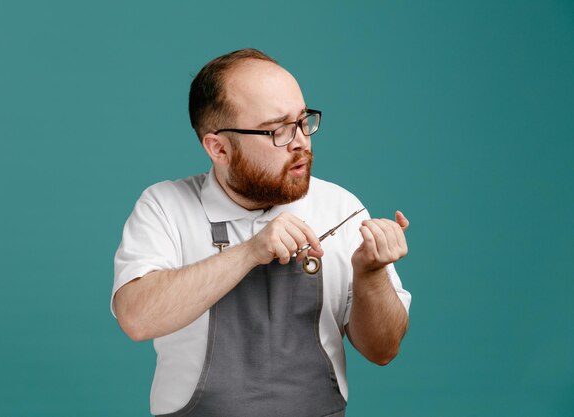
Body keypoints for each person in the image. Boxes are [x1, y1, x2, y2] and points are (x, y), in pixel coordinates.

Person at [111, 48, 411, 417]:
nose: (301, 141)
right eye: (278, 130)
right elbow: (137, 319)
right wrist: (250, 251)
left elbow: (383, 350)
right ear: (219, 148)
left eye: (304, 121)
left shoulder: (340, 208)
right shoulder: (166, 206)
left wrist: (371, 273)